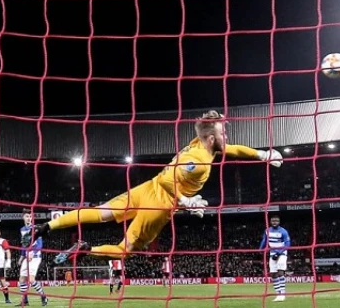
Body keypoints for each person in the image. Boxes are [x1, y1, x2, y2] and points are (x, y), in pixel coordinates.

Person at [24, 110, 283, 262]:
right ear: (212, 138)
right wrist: (185, 202)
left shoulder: (200, 143)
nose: (227, 138)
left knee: (100, 212)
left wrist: (262, 155)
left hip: (148, 187)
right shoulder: (199, 160)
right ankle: (85, 249)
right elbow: (173, 177)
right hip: (159, 204)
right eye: (223, 134)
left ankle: (46, 226)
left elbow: (233, 149)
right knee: (127, 251)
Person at [17, 210, 48, 306]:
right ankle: (25, 301)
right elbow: (24, 244)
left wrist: (32, 253)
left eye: (30, 216)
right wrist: (22, 257)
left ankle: (43, 297)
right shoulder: (22, 230)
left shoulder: (36, 228)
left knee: (31, 279)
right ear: (23, 217)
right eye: (27, 216)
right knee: (22, 279)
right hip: (26, 257)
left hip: (35, 256)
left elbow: (39, 244)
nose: (29, 218)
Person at [259, 215, 291, 302]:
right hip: (272, 253)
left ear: (279, 222)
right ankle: (278, 294)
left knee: (280, 272)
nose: (274, 222)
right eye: (273, 221)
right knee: (273, 274)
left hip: (282, 253)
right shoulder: (267, 231)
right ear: (270, 221)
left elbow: (288, 244)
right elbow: (264, 240)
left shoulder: (283, 231)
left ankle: (283, 294)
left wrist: (279, 253)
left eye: (276, 221)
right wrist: (260, 249)